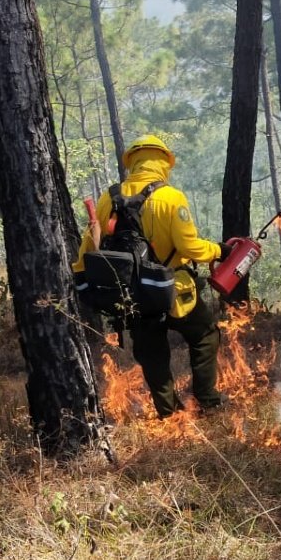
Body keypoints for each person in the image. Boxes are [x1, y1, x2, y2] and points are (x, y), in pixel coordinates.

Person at [74, 135, 227, 418]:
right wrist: (219, 250)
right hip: (172, 291)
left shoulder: (109, 198)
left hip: (130, 295)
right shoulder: (171, 197)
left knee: (152, 353)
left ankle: (169, 413)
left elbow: (88, 248)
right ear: (164, 162)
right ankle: (208, 401)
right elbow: (189, 247)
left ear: (132, 161)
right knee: (205, 334)